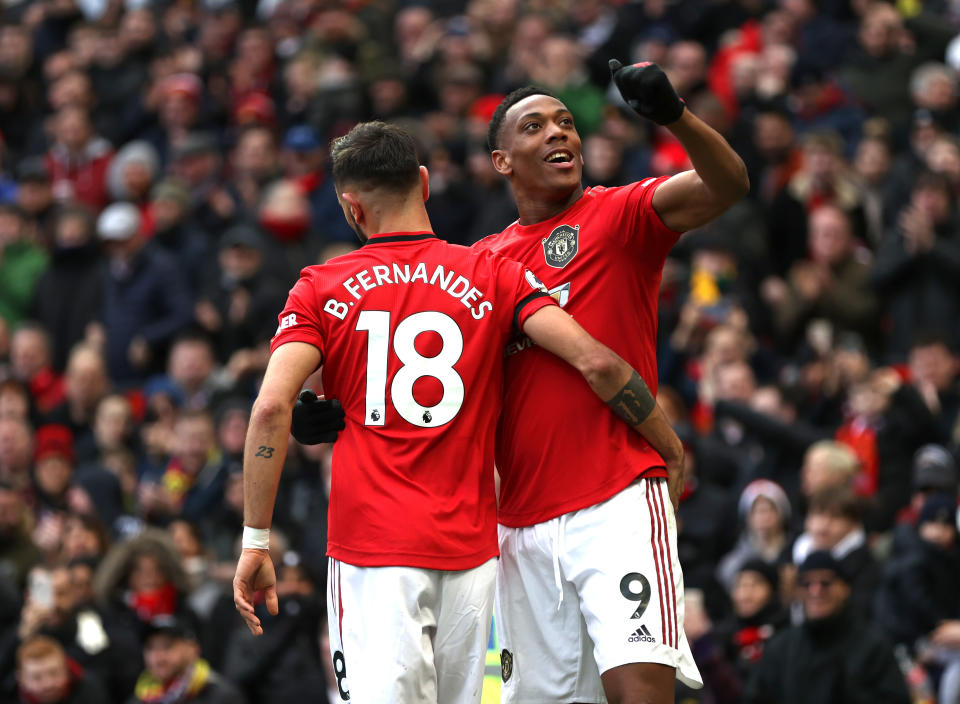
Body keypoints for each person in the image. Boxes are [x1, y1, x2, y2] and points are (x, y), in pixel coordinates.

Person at [294, 60, 749, 703]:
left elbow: (727, 185)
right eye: (534, 127)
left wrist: (674, 115)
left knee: (640, 690)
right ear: (502, 161)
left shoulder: (621, 215)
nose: (558, 133)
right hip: (514, 527)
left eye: (566, 122)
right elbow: (409, 368)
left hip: (616, 495)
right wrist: (322, 412)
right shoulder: (481, 266)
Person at [233, 121, 684, 704]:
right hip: (470, 553)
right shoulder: (491, 272)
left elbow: (271, 405)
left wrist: (255, 541)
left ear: (351, 208)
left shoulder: (321, 286)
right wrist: (666, 444)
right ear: (422, 183)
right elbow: (595, 361)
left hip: (374, 548)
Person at [744, 551, 910, 704]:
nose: (816, 591)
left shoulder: (873, 646)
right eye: (806, 584)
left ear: (845, 588)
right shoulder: (781, 647)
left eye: (825, 583)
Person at [127, 616, 244, 704]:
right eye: (150, 648)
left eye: (167, 646)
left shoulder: (221, 697)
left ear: (193, 649)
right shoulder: (140, 698)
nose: (158, 658)